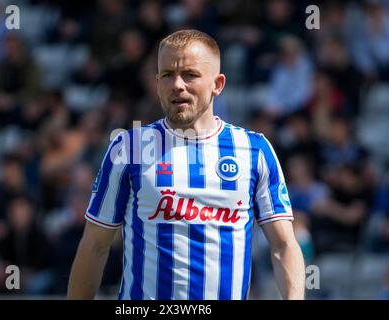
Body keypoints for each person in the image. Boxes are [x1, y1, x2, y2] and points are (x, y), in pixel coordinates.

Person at [68, 29, 305, 300]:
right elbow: (95, 245)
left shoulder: (254, 151)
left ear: (218, 84)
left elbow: (283, 245)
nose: (177, 84)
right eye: (167, 75)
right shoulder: (128, 149)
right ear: (157, 84)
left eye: (190, 75)